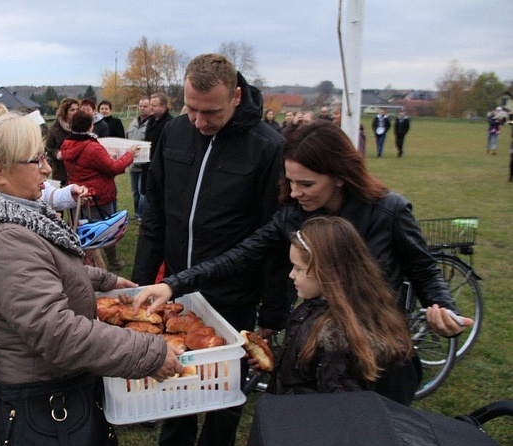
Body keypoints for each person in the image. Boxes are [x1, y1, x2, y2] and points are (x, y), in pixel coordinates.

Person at [133, 121, 472, 405]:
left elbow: (424, 269)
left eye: (306, 183)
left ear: (339, 175)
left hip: (376, 357)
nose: (295, 192)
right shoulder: (294, 215)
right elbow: (241, 254)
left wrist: (444, 308)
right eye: (290, 181)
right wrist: (173, 283)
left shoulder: (389, 211)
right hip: (319, 351)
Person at [0, 113, 182, 446]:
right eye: (35, 160)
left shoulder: (18, 219)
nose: (46, 167)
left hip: (44, 387)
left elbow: (45, 272)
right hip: (35, 399)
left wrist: (105, 281)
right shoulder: (6, 240)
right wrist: (148, 351)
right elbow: (57, 333)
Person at [131, 53, 284, 446]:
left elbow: (274, 236)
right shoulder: (174, 132)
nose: (199, 120)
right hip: (178, 286)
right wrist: (142, 281)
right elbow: (154, 212)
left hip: (235, 292)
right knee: (176, 372)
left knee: (223, 384)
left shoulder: (266, 146)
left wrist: (273, 310)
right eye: (191, 108)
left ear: (236, 96)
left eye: (211, 111)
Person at [264, 216, 413, 395]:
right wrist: (275, 361)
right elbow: (305, 368)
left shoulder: (338, 340)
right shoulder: (313, 306)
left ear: (325, 271)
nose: (291, 275)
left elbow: (335, 406)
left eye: (298, 268)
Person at [61, 110, 137, 271]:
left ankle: (87, 267)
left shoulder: (67, 144)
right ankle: (106, 266)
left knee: (85, 234)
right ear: (90, 126)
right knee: (107, 232)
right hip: (98, 197)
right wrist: (129, 155)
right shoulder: (92, 147)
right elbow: (114, 167)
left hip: (79, 197)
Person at [126, 97, 151, 221]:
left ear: (150, 107)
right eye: (140, 106)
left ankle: (142, 216)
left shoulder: (151, 124)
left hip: (144, 165)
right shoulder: (133, 123)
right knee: (135, 192)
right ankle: (136, 213)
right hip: (132, 164)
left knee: (143, 192)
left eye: (145, 106)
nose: (142, 108)